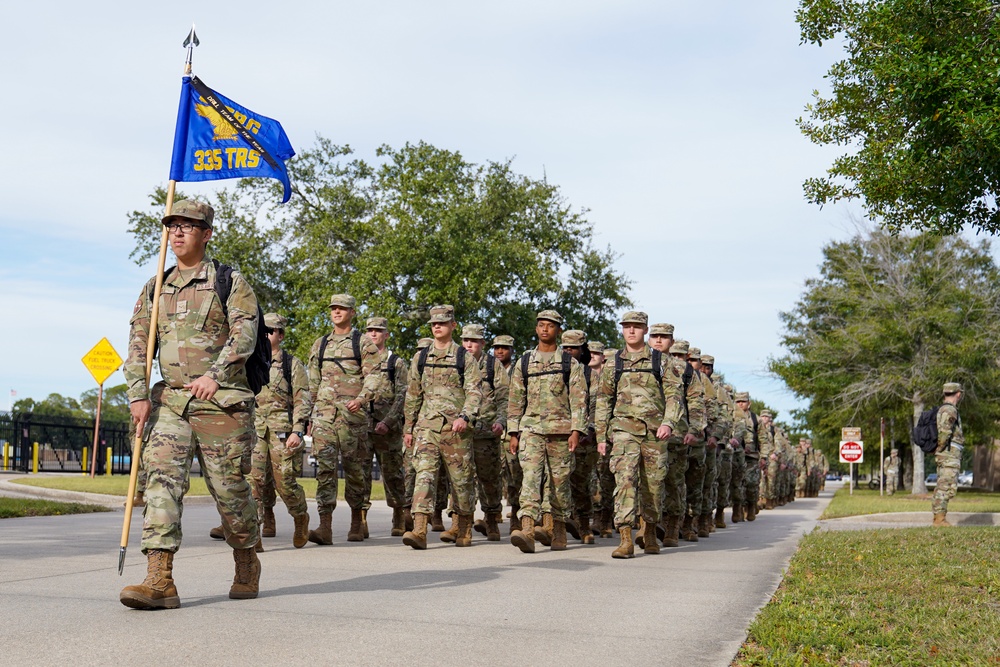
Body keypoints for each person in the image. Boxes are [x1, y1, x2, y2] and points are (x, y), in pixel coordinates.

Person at [120, 199, 261, 609]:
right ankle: (159, 578)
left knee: (230, 492)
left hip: (221, 404)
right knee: (161, 482)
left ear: (207, 233)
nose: (177, 232)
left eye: (187, 225)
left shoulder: (229, 282)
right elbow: (138, 345)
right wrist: (138, 394)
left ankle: (246, 560)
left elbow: (244, 336)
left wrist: (214, 376)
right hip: (171, 402)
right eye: (172, 225)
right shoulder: (155, 287)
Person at [595, 312, 685, 558]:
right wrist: (601, 436)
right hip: (623, 431)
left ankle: (650, 531)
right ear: (622, 330)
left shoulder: (661, 361)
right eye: (627, 327)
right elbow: (603, 400)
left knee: (653, 486)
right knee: (625, 481)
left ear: (645, 330)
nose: (631, 331)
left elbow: (674, 395)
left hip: (655, 433)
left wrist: (668, 423)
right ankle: (625, 538)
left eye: (636, 327)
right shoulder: (613, 363)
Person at [401, 305, 484, 549]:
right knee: (424, 476)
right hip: (426, 427)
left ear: (453, 326)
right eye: (434, 324)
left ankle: (464, 526)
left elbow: (474, 392)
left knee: (461, 481)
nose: (437, 327)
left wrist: (465, 417)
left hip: (455, 430)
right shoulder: (421, 357)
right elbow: (413, 394)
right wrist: (409, 428)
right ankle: (419, 530)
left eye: (443, 323)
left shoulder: (464, 358)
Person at [306, 294, 386, 545]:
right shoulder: (320, 344)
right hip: (324, 418)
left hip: (353, 418)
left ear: (352, 312)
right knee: (325, 470)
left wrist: (362, 399)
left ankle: (356, 522)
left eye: (342, 308)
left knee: (355, 471)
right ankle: (325, 527)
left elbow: (374, 376)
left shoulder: (362, 343)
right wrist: (309, 414)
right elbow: (312, 382)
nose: (337, 312)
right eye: (333, 308)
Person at [507, 310, 587, 553]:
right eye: (541, 325)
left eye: (550, 326)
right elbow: (515, 399)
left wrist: (576, 430)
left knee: (559, 483)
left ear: (558, 331)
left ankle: (558, 529)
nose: (545, 330)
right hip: (531, 429)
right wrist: (513, 431)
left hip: (561, 432)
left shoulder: (569, 364)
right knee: (530, 478)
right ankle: (528, 529)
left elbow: (579, 400)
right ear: (536, 329)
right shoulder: (524, 362)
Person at [248, 313, 311, 549]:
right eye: (262, 330)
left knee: (284, 483)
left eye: (271, 331)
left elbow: (302, 399)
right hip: (254, 431)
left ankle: (300, 516)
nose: (265, 334)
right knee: (254, 482)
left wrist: (298, 430)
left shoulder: (291, 364)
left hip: (281, 432)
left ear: (281, 335)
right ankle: (255, 535)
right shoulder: (251, 361)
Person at [460, 324, 506, 542]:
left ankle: (491, 519)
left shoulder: (493, 365)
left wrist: (501, 421)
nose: (469, 344)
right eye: (466, 340)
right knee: (460, 478)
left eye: (474, 341)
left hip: (486, 432)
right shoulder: (457, 360)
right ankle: (460, 522)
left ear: (482, 343)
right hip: (462, 432)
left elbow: (505, 397)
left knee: (489, 479)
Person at [364, 317, 408, 536]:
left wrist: (388, 422)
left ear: (386, 335)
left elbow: (402, 396)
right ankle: (359, 518)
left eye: (378, 331)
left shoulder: (395, 362)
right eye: (370, 330)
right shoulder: (359, 360)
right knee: (359, 473)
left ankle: (399, 514)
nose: (373, 334)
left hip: (388, 429)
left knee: (392, 474)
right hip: (362, 425)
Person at [561, 330, 598, 544]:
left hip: (583, 437)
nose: (568, 352)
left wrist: (589, 429)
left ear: (582, 350)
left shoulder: (589, 374)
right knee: (554, 481)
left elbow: (596, 405)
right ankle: (554, 523)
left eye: (572, 348)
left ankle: (584, 524)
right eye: (564, 347)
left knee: (581, 483)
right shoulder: (555, 369)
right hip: (558, 433)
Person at [932, 383, 965, 526]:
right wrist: (940, 449)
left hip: (948, 453)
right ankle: (939, 519)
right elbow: (945, 433)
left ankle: (939, 517)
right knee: (945, 485)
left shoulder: (944, 409)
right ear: (958, 394)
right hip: (949, 454)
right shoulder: (950, 410)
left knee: (945, 485)